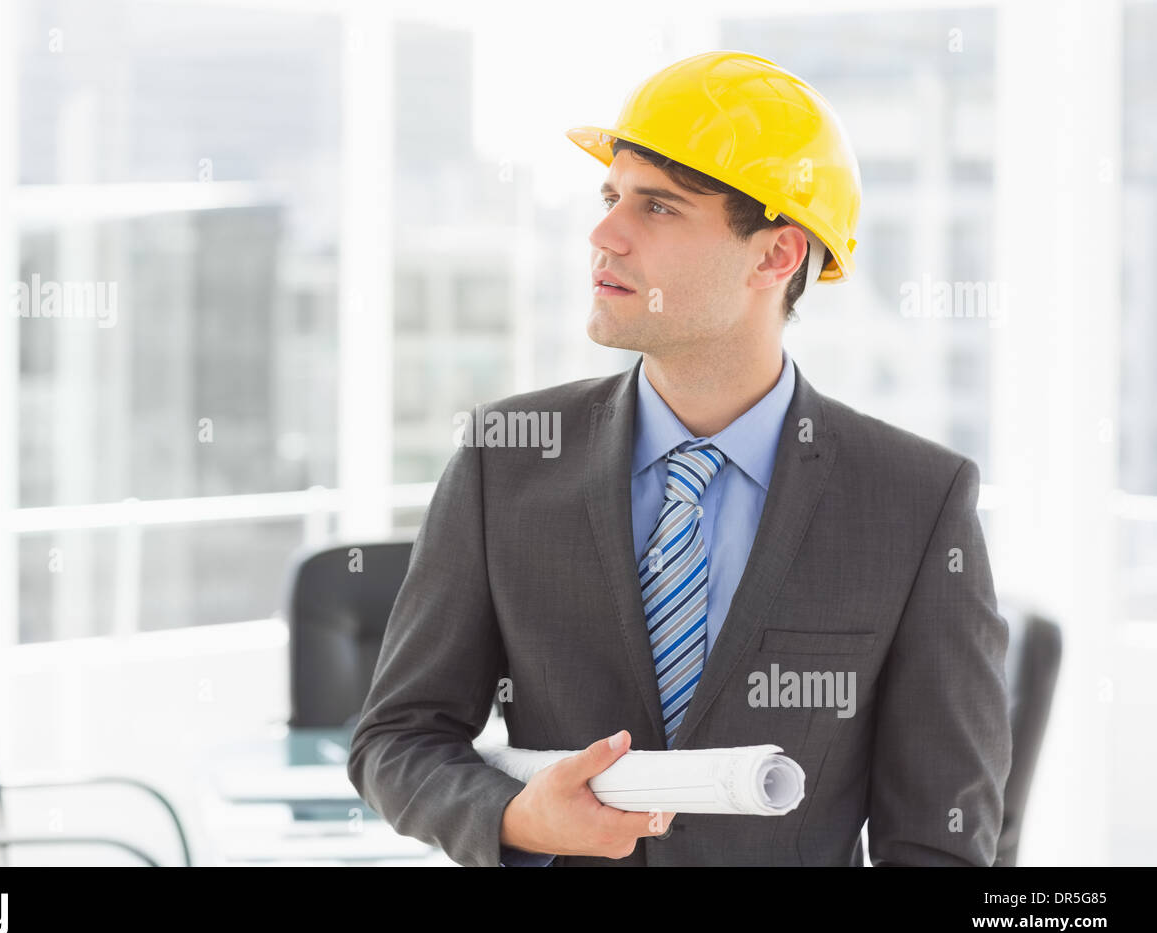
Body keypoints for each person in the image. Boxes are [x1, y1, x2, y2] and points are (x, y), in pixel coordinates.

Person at [347, 50, 1012, 866]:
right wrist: (520, 818)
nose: (604, 234)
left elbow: (938, 843)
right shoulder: (504, 462)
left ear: (776, 255)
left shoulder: (914, 501)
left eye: (658, 208)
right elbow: (399, 739)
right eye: (610, 196)